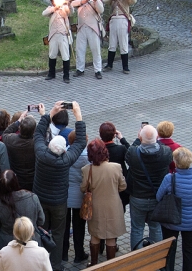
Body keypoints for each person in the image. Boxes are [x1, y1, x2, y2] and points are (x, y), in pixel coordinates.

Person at [33, 101, 87, 269]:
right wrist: (78, 115)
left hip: (40, 200)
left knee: (41, 230)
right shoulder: (66, 160)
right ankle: (55, 265)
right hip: (58, 204)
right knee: (58, 233)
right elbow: (79, 143)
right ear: (64, 150)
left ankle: (40, 262)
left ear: (48, 145)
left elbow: (39, 133)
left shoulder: (41, 153)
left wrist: (51, 112)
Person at [156, 147, 192, 271]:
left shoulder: (170, 178)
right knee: (189, 251)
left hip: (172, 220)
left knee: (170, 250)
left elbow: (158, 197)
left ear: (176, 162)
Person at [80, 140, 127, 266]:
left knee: (95, 235)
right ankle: (110, 266)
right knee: (111, 237)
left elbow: (83, 188)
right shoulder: (116, 167)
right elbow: (123, 186)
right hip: (113, 206)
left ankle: (94, 264)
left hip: (95, 207)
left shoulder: (86, 169)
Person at [125, 124, 171, 249]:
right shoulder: (166, 152)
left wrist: (138, 138)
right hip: (157, 197)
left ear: (140, 137)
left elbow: (130, 154)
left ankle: (137, 258)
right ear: (157, 137)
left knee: (137, 229)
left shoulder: (133, 153)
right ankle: (155, 257)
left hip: (138, 198)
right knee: (156, 227)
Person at [0, 170, 46, 251]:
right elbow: (41, 221)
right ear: (16, 182)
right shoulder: (32, 198)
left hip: (6, 244)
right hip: (31, 241)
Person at [64, 131, 91, 264]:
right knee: (79, 227)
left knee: (64, 226)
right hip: (80, 197)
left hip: (65, 195)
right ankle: (79, 253)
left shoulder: (64, 154)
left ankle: (63, 253)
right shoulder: (87, 158)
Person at [43, 0, 74, 83]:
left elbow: (71, 12)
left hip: (63, 35)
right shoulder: (51, 9)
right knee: (52, 55)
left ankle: (66, 76)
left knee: (65, 56)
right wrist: (54, 8)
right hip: (53, 35)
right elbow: (44, 13)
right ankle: (51, 73)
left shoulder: (64, 8)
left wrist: (68, 5)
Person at [72, 0, 106, 79]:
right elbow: (72, 3)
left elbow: (101, 10)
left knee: (96, 50)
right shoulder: (80, 0)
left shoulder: (95, 0)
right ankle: (80, 69)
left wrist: (95, 1)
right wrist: (82, 1)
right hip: (81, 28)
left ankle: (98, 70)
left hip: (93, 29)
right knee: (80, 50)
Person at [104, 0, 136, 74]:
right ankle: (109, 64)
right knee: (112, 44)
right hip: (113, 20)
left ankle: (125, 67)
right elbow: (105, 0)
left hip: (123, 20)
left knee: (123, 44)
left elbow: (133, 0)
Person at [5, 113, 40, 190]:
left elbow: (5, 133)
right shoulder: (37, 143)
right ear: (34, 130)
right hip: (32, 178)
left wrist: (18, 121)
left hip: (16, 176)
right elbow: (44, 134)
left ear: (19, 128)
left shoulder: (11, 140)